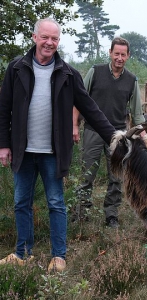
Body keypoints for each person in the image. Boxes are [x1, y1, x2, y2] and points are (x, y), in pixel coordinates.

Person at [0, 18, 116, 272]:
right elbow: (4, 108)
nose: (49, 43)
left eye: (54, 39)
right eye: (45, 37)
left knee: (56, 203)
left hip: (53, 152)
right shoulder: (16, 68)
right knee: (21, 202)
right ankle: (22, 253)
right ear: (34, 37)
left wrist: (114, 137)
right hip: (22, 151)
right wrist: (3, 144)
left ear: (58, 41)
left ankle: (58, 256)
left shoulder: (68, 74)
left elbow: (90, 109)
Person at [72, 37, 145, 228]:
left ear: (128, 56)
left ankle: (111, 214)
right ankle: (81, 211)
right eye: (116, 53)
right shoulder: (95, 72)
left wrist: (143, 136)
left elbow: (137, 113)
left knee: (116, 176)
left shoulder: (132, 80)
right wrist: (74, 125)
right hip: (93, 130)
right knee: (87, 173)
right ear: (110, 53)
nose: (119, 58)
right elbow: (79, 99)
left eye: (123, 54)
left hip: (118, 134)